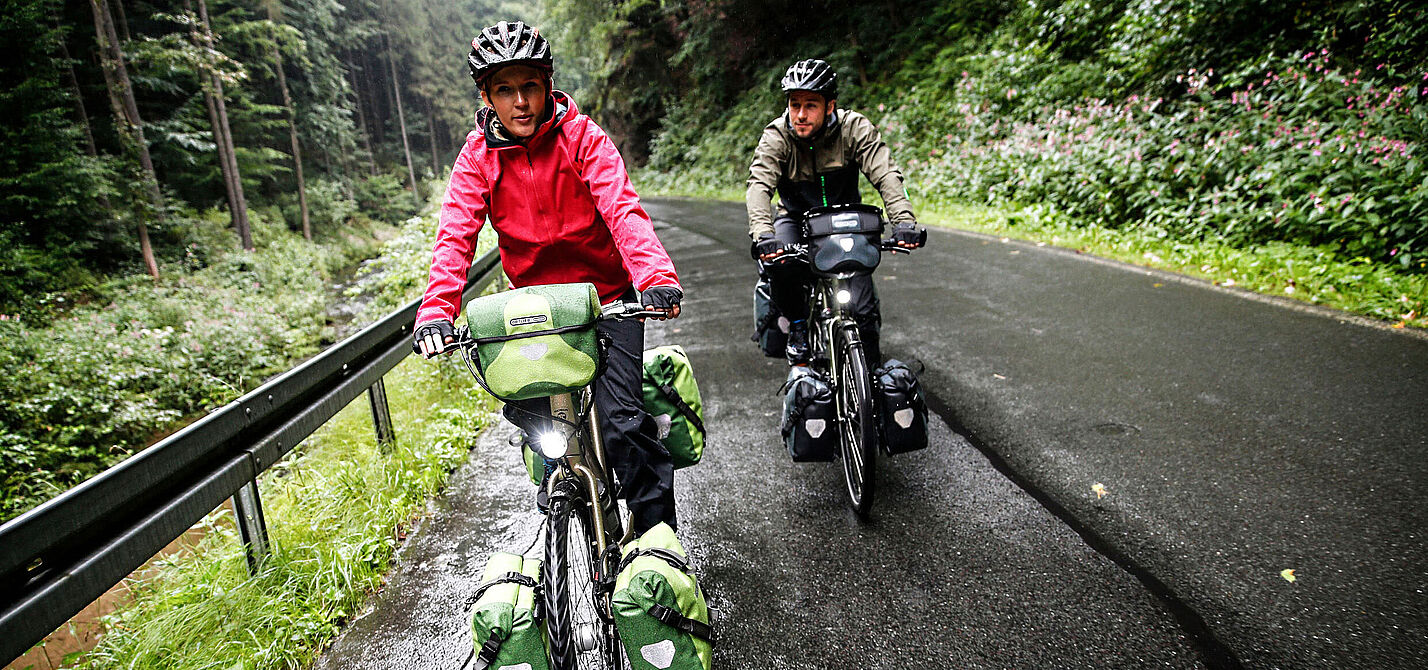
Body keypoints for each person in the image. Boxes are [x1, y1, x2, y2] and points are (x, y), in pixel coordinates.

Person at [412, 21, 683, 533]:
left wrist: (652, 275)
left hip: (607, 299)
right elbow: (455, 238)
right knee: (542, 433)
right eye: (505, 90)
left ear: (548, 83)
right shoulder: (477, 159)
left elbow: (622, 208)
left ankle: (659, 545)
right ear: (487, 96)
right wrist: (436, 312)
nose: (521, 102)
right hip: (535, 309)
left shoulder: (583, 139)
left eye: (530, 86)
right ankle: (566, 499)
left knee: (623, 424)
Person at [746, 58, 926, 367]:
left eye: (811, 105)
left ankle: (867, 379)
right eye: (794, 104)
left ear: (830, 106)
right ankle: (799, 326)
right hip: (796, 218)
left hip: (848, 221)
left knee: (864, 311)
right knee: (781, 265)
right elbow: (759, 186)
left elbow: (886, 174)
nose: (800, 114)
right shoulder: (777, 136)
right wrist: (764, 234)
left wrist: (904, 221)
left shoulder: (854, 129)